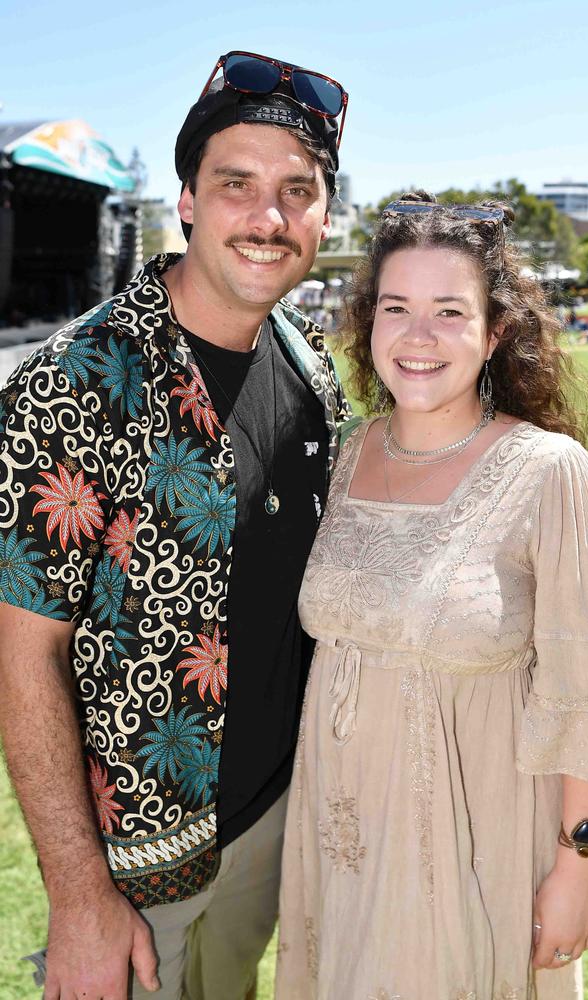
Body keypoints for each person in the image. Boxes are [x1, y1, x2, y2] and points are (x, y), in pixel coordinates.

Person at [0, 50, 351, 1000]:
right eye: (236, 184)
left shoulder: (314, 370)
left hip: (276, 822)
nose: (268, 218)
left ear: (325, 214)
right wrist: (77, 897)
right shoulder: (73, 383)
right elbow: (22, 655)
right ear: (188, 199)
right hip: (133, 867)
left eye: (297, 191)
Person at [275, 192, 588, 1000]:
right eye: (398, 308)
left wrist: (578, 870)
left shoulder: (549, 473)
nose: (418, 336)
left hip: (473, 848)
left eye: (450, 311)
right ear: (368, 321)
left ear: (495, 332)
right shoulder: (350, 453)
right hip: (341, 843)